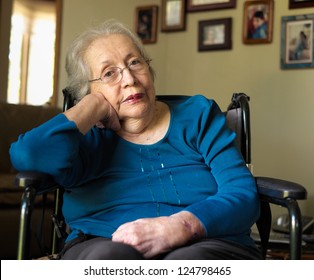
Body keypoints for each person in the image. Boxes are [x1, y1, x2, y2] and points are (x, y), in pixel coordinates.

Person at [10, 20, 262, 260]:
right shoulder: (82, 138)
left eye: (135, 63)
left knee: (188, 263)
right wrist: (92, 105)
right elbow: (28, 155)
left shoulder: (198, 114)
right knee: (112, 261)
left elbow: (241, 193)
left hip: (207, 242)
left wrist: (182, 225)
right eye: (109, 74)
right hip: (102, 242)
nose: (130, 79)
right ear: (86, 92)